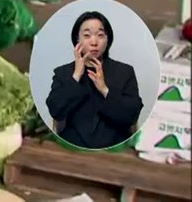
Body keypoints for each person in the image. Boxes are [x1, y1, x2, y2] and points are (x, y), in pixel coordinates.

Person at [45, 11, 143, 150]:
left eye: (100, 35)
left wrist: (105, 89)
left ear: (108, 39)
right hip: (72, 147)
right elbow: (55, 110)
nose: (94, 42)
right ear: (77, 40)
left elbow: (132, 115)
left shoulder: (124, 72)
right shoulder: (63, 73)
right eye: (87, 35)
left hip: (114, 147)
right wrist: (76, 75)